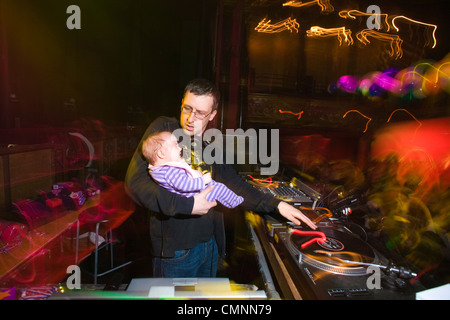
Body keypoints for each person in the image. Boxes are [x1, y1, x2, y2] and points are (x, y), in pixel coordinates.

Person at [125, 78, 316, 278]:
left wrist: (276, 205)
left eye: (200, 113)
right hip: (177, 251)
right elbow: (135, 183)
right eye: (187, 108)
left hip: (210, 246)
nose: (190, 118)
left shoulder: (210, 144)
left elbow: (234, 184)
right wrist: (186, 205)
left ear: (213, 115)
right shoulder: (163, 130)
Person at [142, 131, 244, 208]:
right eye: (175, 145)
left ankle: (231, 201)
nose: (180, 148)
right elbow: (184, 185)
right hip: (195, 193)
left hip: (193, 193)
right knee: (219, 188)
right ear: (161, 154)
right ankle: (235, 202)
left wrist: (195, 173)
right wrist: (202, 180)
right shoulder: (169, 172)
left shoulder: (163, 170)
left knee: (218, 189)